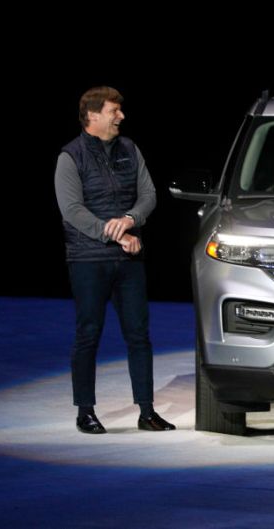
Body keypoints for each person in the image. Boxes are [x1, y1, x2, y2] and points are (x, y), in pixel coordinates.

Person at [55, 86, 175, 434]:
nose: (120, 116)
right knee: (88, 334)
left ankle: (147, 411)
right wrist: (116, 234)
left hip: (129, 259)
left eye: (120, 110)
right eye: (113, 111)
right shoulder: (70, 156)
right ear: (92, 115)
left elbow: (148, 194)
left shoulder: (129, 148)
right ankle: (85, 412)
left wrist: (131, 219)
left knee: (139, 335)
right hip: (88, 258)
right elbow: (72, 210)